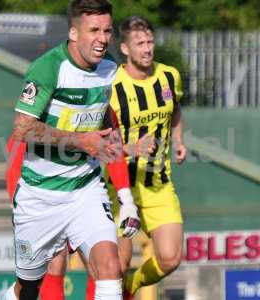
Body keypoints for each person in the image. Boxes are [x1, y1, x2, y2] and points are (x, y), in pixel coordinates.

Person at [4, 1, 141, 299]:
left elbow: (107, 123)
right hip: (40, 194)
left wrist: (125, 198)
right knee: (28, 288)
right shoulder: (49, 68)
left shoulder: (109, 67)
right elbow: (22, 129)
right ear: (74, 33)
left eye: (107, 30)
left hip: (85, 189)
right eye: (94, 30)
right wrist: (81, 141)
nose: (103, 39)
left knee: (110, 267)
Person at [107, 15, 187, 299]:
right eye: (139, 43)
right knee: (118, 264)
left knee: (170, 258)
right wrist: (130, 149)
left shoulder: (168, 76)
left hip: (158, 184)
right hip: (119, 187)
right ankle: (120, 288)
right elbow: (99, 138)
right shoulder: (111, 84)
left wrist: (178, 140)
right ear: (125, 48)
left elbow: (175, 111)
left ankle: (132, 287)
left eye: (150, 41)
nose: (147, 48)